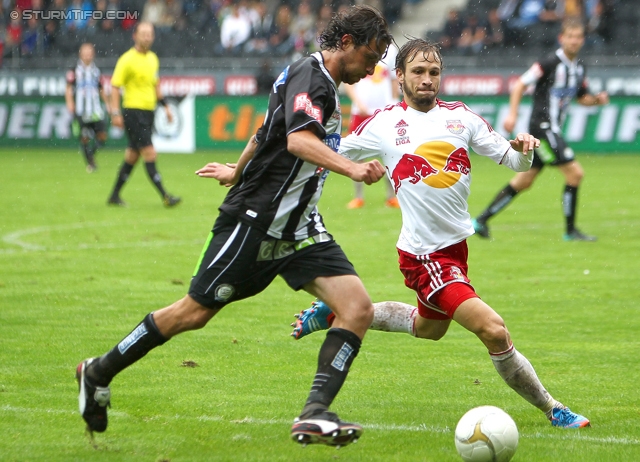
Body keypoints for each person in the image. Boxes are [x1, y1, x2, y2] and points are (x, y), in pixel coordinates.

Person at [75, 5, 393, 448]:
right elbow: (297, 139)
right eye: (371, 56)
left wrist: (236, 168)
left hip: (298, 227)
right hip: (255, 220)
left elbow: (266, 130)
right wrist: (352, 170)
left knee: (357, 308)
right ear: (346, 44)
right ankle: (97, 371)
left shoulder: (316, 81)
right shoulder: (311, 74)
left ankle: (314, 413)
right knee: (194, 313)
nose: (373, 67)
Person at [290, 38, 591, 430]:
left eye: (433, 72)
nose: (427, 79)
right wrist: (246, 167)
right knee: (494, 330)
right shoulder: (383, 124)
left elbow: (511, 158)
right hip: (424, 257)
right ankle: (554, 409)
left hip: (456, 250)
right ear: (399, 77)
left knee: (428, 329)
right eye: (417, 71)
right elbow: (327, 152)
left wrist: (526, 150)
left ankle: (336, 313)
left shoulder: (461, 118)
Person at [472, 18, 609, 241]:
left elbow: (582, 98)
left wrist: (597, 100)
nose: (574, 41)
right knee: (575, 173)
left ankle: (480, 221)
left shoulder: (579, 67)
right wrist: (512, 113)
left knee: (524, 181)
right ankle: (570, 231)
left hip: (551, 130)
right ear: (561, 39)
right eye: (570, 37)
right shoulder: (548, 63)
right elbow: (520, 84)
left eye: (578, 37)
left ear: (583, 40)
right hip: (544, 128)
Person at [107, 22, 180, 207]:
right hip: (133, 112)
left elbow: (155, 84)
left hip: (148, 112)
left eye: (150, 34)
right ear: (135, 36)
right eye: (144, 34)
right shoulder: (127, 59)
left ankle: (114, 196)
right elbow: (115, 86)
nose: (147, 37)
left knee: (132, 156)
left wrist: (166, 107)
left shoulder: (153, 58)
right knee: (149, 152)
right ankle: (165, 196)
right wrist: (115, 112)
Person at [344, 44, 399, 209]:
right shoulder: (359, 46)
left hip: (383, 112)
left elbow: (394, 79)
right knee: (358, 155)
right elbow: (348, 82)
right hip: (360, 112)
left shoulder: (391, 51)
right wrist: (358, 102)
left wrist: (393, 103)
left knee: (390, 153)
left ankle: (391, 197)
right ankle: (359, 197)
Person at [65, 43, 110, 173]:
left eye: (89, 53)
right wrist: (70, 103)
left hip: (95, 110)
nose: (87, 55)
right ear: (80, 54)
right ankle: (91, 163)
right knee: (84, 137)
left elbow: (101, 89)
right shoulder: (74, 70)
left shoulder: (96, 70)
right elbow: (68, 88)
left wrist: (107, 103)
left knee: (102, 136)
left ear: (93, 54)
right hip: (81, 110)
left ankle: (90, 154)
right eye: (85, 53)